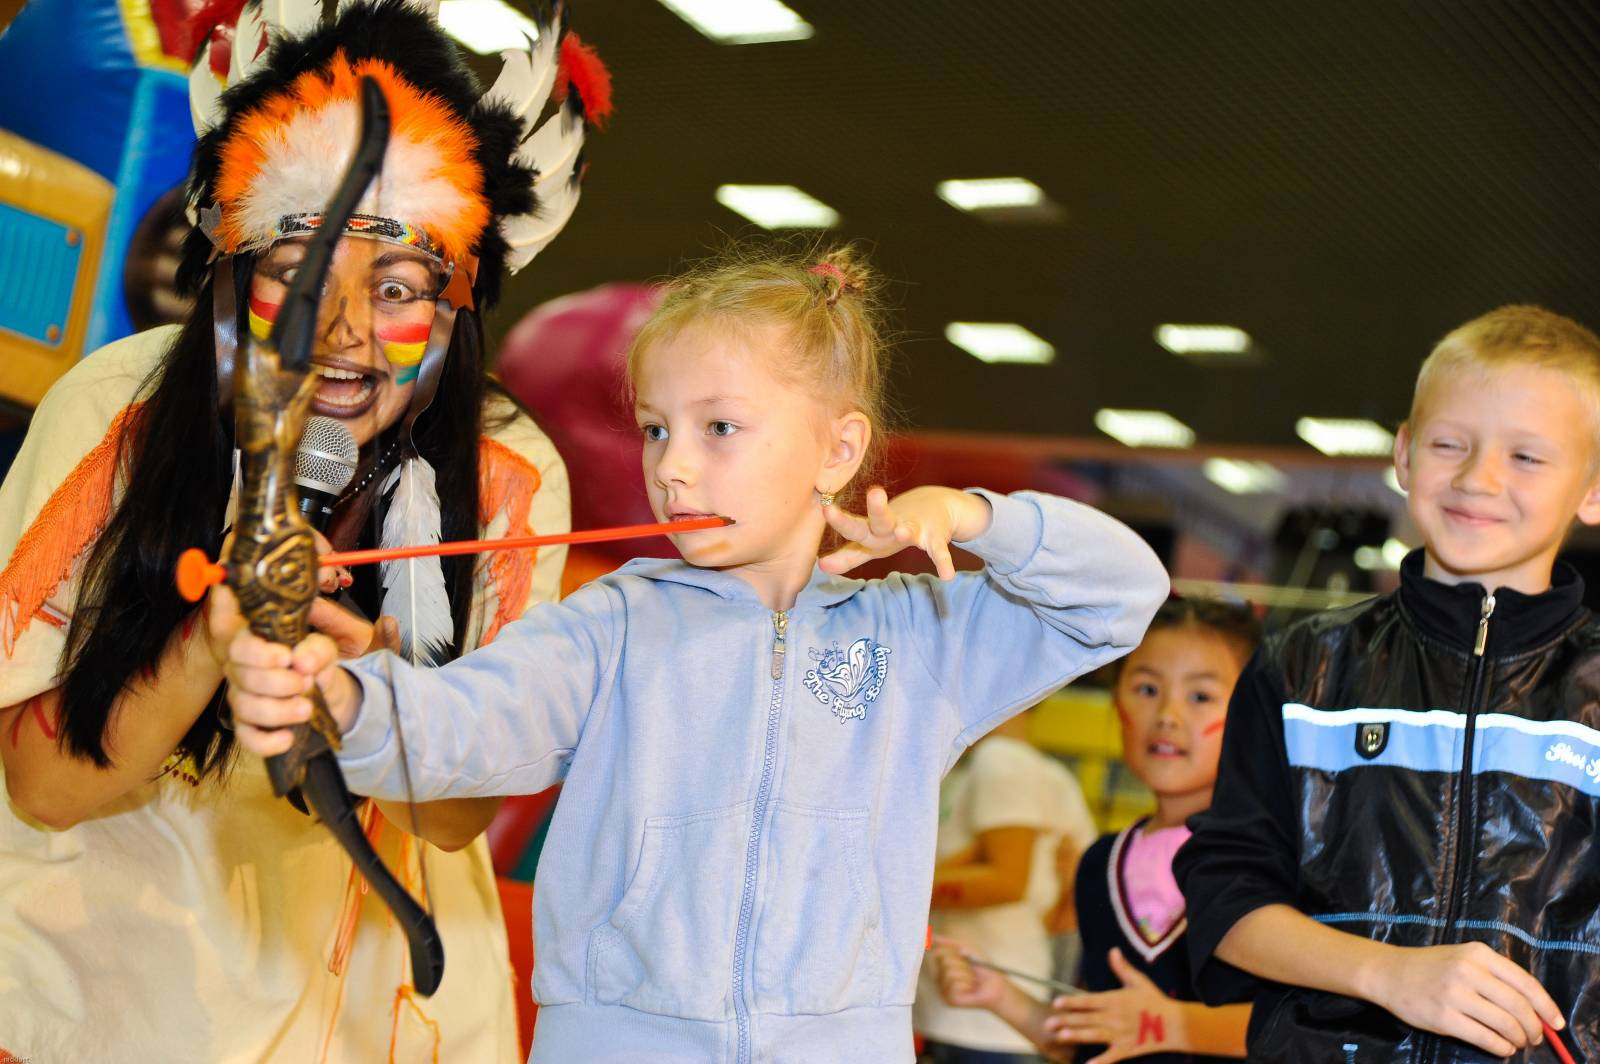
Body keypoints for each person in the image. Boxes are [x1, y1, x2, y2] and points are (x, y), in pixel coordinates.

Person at [217, 242, 1172, 1063]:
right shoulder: (614, 624)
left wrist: (977, 518)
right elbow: (462, 725)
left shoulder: (919, 637)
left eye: (720, 428)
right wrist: (339, 696)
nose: (672, 466)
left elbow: (1122, 596)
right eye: (655, 429)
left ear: (838, 452)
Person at [0, 2, 608, 1060]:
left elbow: (455, 818)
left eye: (399, 287)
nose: (341, 335)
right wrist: (210, 641)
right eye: (299, 272)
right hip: (104, 990)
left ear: (457, 306)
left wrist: (363, 671)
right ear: (232, 276)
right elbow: (42, 785)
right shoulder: (116, 410)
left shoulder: (509, 470)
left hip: (376, 1006)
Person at [1173, 305, 1600, 1062]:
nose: (1477, 477)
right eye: (1448, 444)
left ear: (1593, 491)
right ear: (1403, 456)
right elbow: (1224, 898)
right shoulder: (1305, 666)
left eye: (1526, 457)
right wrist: (1388, 975)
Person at [934, 597, 1260, 1063]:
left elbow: (1304, 1027)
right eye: (1147, 689)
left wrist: (1171, 1024)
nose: (1167, 715)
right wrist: (1001, 997)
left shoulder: (1269, 857)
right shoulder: (1100, 865)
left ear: (1255, 713)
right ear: (1117, 700)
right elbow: (1094, 1041)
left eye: (1200, 696)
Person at [915, 705, 1098, 1063]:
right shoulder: (1049, 776)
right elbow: (1061, 911)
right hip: (981, 1013)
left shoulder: (1002, 760)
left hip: (980, 1017)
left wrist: (899, 887)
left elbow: (1007, 881)